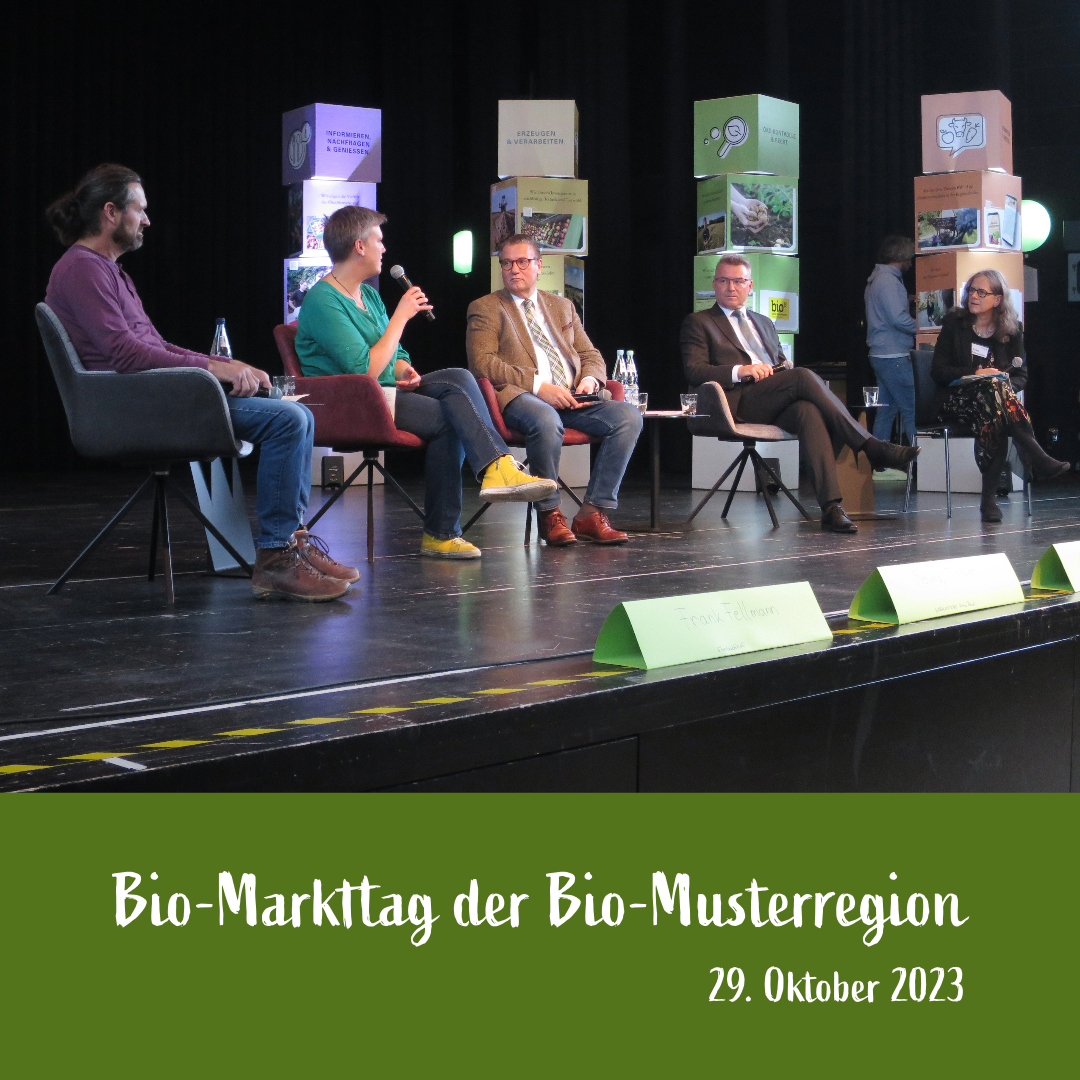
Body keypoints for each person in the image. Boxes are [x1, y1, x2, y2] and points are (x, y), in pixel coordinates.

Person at [43, 164, 354, 602]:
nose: (147, 220)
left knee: (296, 413)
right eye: (140, 210)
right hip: (132, 408)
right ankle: (275, 560)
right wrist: (214, 370)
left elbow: (155, 346)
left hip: (155, 397)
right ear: (110, 213)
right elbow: (127, 356)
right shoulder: (82, 270)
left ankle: (290, 544)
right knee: (288, 420)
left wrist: (224, 364)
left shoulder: (109, 271)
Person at [295, 206, 555, 560]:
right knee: (449, 418)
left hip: (384, 392)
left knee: (459, 378)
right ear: (359, 246)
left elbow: (396, 355)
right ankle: (443, 530)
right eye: (379, 240)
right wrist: (401, 316)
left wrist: (405, 370)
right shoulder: (322, 299)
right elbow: (363, 369)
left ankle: (496, 468)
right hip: (351, 402)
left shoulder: (369, 296)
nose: (384, 248)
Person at [680, 254, 919, 533]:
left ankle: (831, 507)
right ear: (714, 284)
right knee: (803, 377)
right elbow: (694, 371)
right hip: (735, 401)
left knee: (808, 411)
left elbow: (781, 363)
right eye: (724, 281)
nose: (731, 287)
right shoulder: (699, 322)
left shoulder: (763, 322)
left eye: (738, 281)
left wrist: (780, 371)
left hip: (772, 395)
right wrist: (741, 370)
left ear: (750, 285)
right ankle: (871, 447)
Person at [465, 235, 643, 546]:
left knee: (628, 417)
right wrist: (538, 386)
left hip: (572, 397)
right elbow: (482, 364)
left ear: (539, 266)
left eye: (522, 262)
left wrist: (590, 380)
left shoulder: (562, 306)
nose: (514, 269)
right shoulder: (486, 308)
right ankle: (549, 514)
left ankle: (592, 513)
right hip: (522, 398)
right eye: (507, 263)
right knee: (546, 420)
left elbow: (590, 355)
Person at [931, 269, 1069, 522]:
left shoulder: (1012, 330)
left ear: (997, 299)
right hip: (956, 399)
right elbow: (938, 371)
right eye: (971, 290)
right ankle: (1034, 456)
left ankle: (989, 501)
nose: (973, 296)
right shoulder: (954, 324)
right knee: (996, 400)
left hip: (992, 404)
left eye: (981, 292)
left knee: (995, 404)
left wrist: (1000, 385)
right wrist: (977, 372)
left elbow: (1021, 377)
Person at [864, 236, 918, 445]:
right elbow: (897, 318)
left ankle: (880, 460)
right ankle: (921, 459)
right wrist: (924, 328)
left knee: (886, 411)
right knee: (912, 409)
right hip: (894, 355)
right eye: (909, 258)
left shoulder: (877, 279)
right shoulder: (888, 282)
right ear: (902, 257)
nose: (911, 263)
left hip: (881, 355)